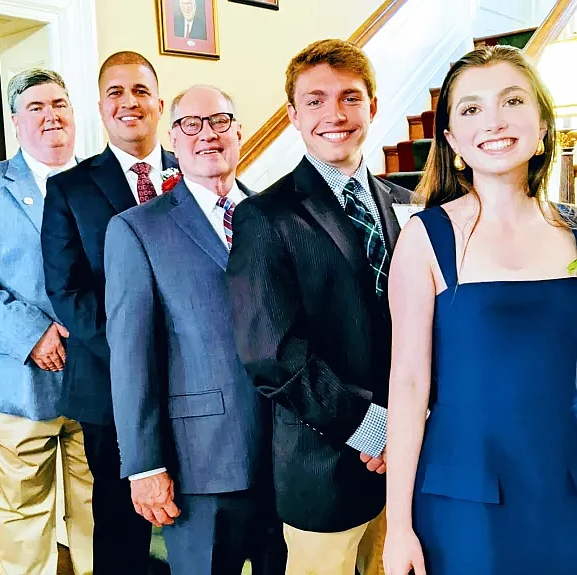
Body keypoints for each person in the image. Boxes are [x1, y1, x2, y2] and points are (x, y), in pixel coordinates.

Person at [383, 45, 577, 575]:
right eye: (470, 109)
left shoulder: (574, 231)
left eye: (511, 101)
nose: (492, 120)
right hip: (465, 496)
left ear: (542, 125)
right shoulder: (425, 238)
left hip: (565, 483)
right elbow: (407, 387)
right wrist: (398, 527)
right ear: (451, 140)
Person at [226, 39, 411, 575]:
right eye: (315, 100)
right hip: (323, 462)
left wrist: (409, 424)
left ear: (372, 106)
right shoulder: (265, 215)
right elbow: (272, 356)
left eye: (350, 97)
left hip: (408, 458)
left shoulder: (403, 203)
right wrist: (376, 429)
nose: (335, 114)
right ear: (292, 116)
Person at [104, 84, 286, 575]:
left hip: (288, 455)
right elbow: (131, 358)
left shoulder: (276, 215)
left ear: (239, 131)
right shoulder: (137, 230)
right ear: (174, 138)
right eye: (191, 125)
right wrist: (144, 465)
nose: (207, 134)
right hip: (200, 465)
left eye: (220, 121)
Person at [0, 68, 93, 575]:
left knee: (97, 504)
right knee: (23, 509)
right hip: (19, 378)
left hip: (98, 377)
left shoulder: (101, 180)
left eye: (60, 105)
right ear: (15, 121)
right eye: (36, 108)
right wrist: (32, 333)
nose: (51, 116)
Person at [41, 51, 177, 574]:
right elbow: (67, 289)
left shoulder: (193, 169)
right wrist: (133, 354)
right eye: (116, 92)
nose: (129, 102)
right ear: (100, 108)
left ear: (159, 103)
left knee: (196, 513)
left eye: (140, 90)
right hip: (109, 383)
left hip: (195, 382)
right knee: (123, 525)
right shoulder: (70, 188)